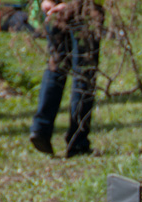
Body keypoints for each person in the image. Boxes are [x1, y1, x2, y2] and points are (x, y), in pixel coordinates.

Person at [29, 0, 103, 158]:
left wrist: (46, 3)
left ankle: (40, 129)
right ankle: (78, 142)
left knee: (56, 67)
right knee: (84, 74)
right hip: (84, 10)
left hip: (55, 11)